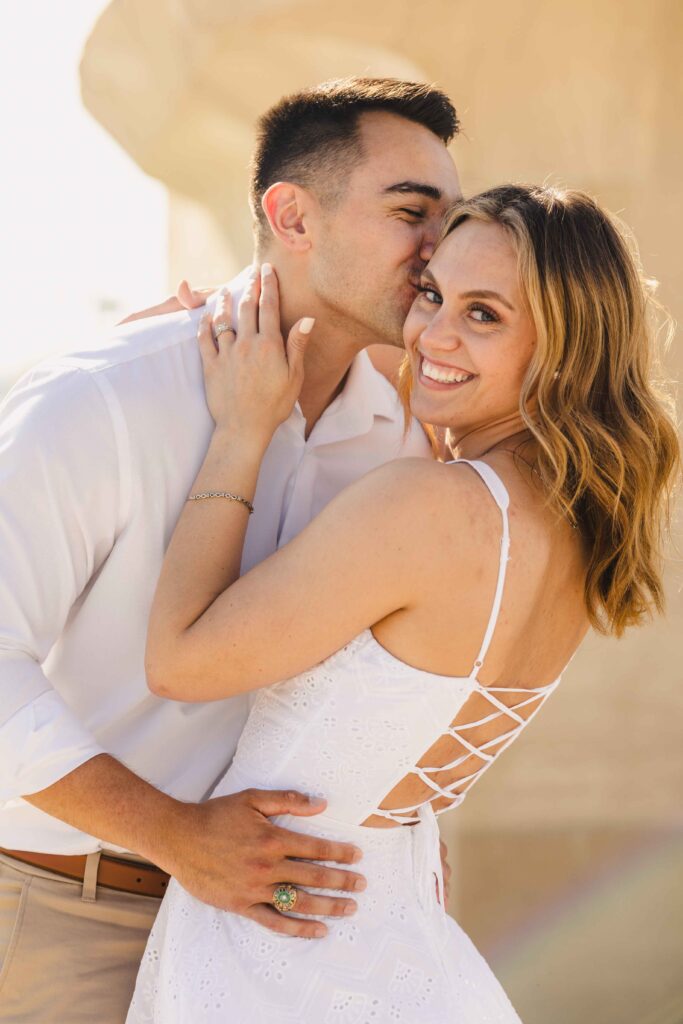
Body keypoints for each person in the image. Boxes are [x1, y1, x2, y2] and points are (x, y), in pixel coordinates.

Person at [125, 184, 680, 1022]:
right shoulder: (568, 522)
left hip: (279, 956)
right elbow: (398, 357)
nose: (432, 335)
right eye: (430, 294)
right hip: (394, 931)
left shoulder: (433, 507)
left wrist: (242, 431)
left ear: (565, 348)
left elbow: (178, 661)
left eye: (483, 314)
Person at [0, 77, 462, 1023]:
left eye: (449, 222)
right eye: (410, 211)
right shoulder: (103, 401)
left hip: (281, 944)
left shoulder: (409, 444)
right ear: (291, 215)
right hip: (66, 916)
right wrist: (175, 836)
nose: (435, 252)